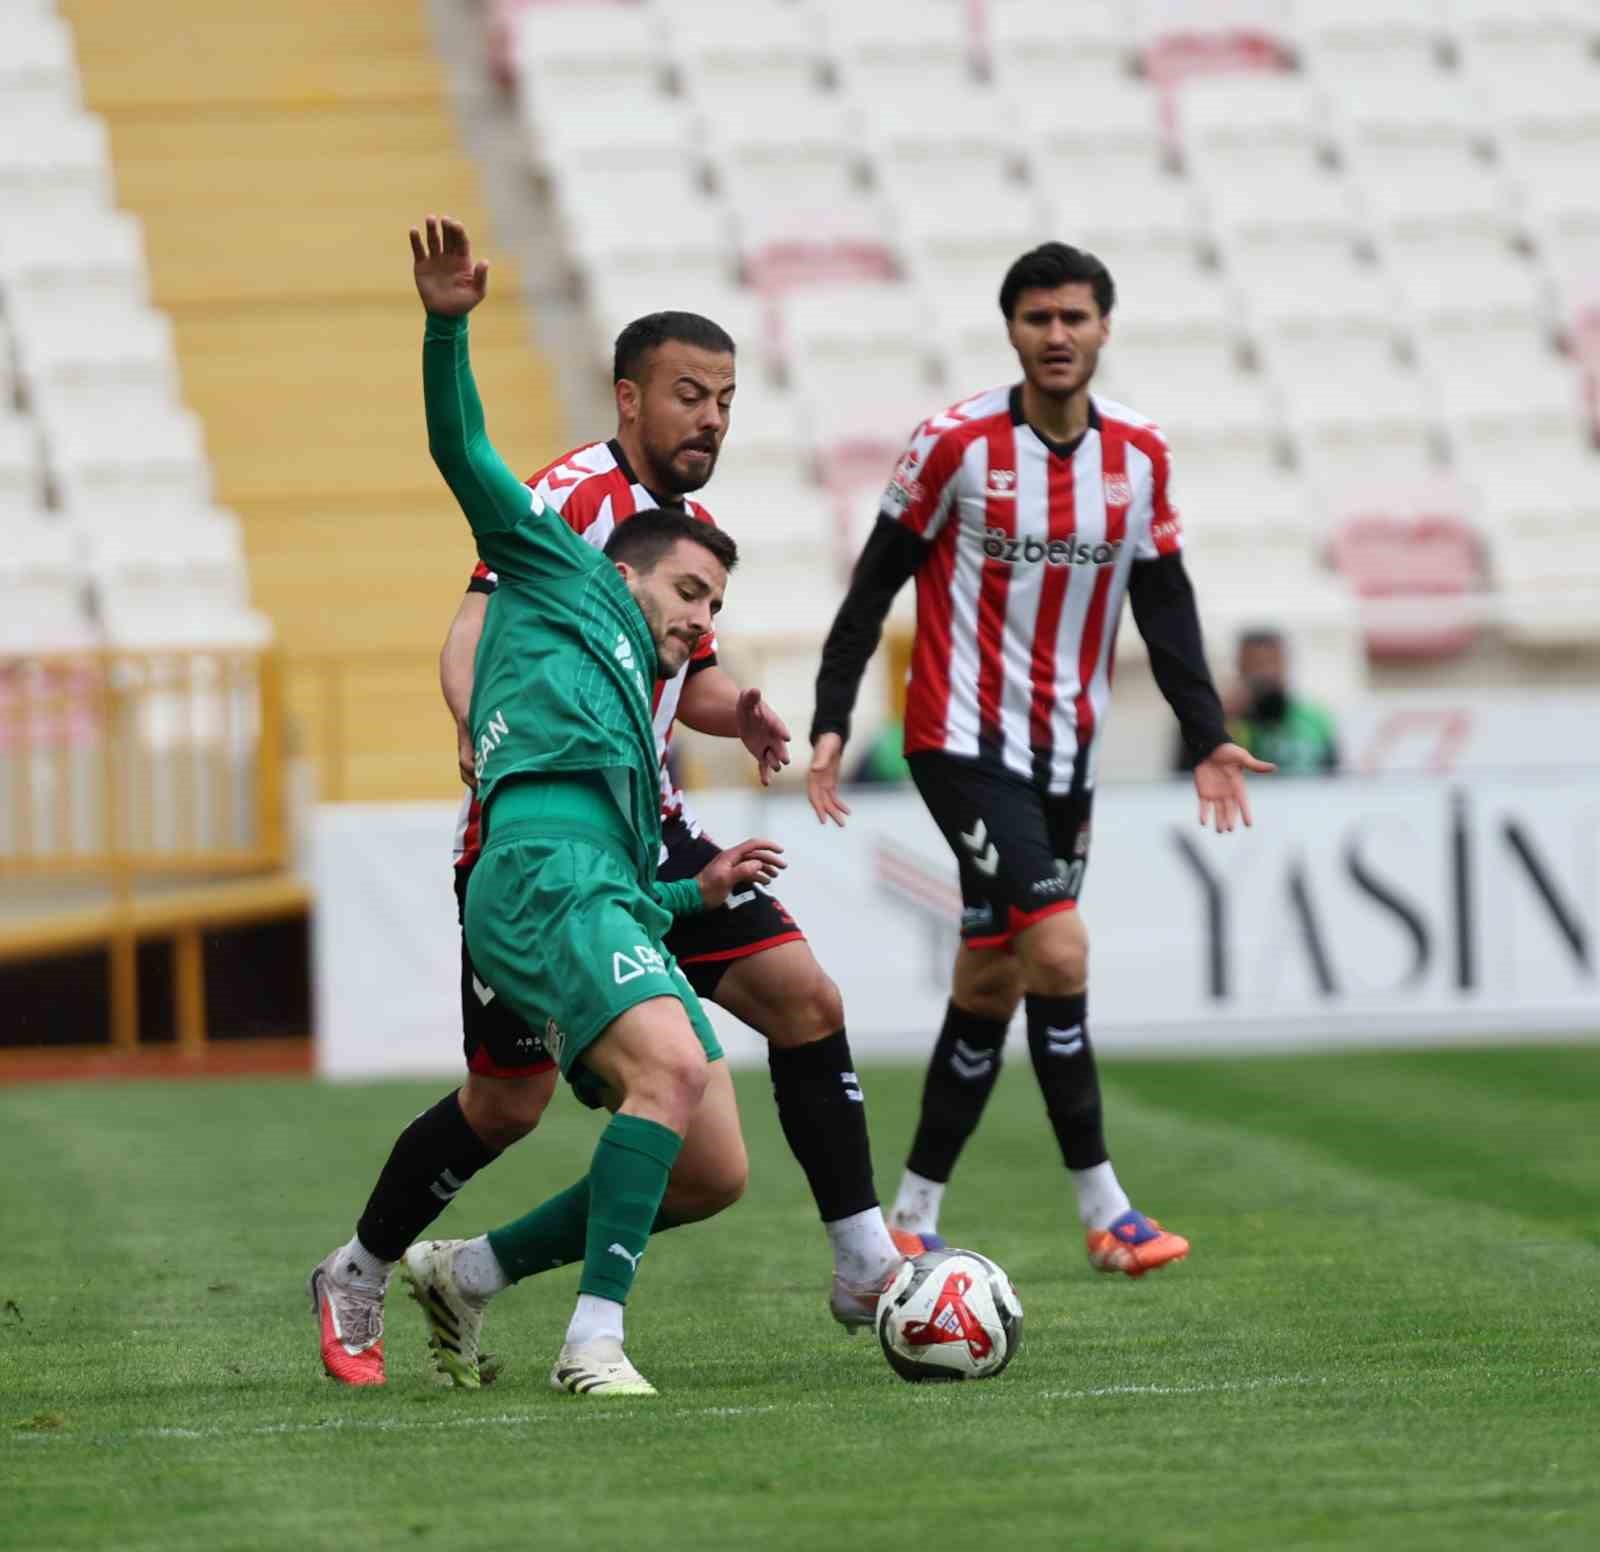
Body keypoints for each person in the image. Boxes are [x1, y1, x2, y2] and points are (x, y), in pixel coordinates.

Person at [309, 273, 911, 1391]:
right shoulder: (568, 504)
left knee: (779, 1045)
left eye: (727, 400)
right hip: (541, 837)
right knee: (507, 1104)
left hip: (650, 837)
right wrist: (477, 732)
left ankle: (859, 1255)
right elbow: (475, 622)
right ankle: (364, 1268)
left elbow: (691, 676)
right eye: (692, 395)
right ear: (629, 398)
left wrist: (744, 711)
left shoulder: (690, 543)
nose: (713, 420)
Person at [807, 242, 1275, 1278]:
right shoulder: (955, 444)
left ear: (1104, 326)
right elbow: (873, 582)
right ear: (1011, 330)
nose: (1055, 335)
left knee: (990, 977)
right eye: (1035, 319)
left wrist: (1204, 734)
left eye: (1073, 317)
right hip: (958, 739)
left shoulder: (1140, 454)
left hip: (1067, 755)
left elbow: (1162, 594)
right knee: (1057, 951)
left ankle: (912, 1216)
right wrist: (833, 709)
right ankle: (1108, 1213)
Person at [1219, 628, 1340, 776]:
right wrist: (1221, 722)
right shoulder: (1226, 720)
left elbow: (1335, 778)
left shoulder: (1315, 719)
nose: (1265, 673)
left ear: (1286, 664)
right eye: (1256, 665)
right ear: (1240, 667)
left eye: (1272, 662)